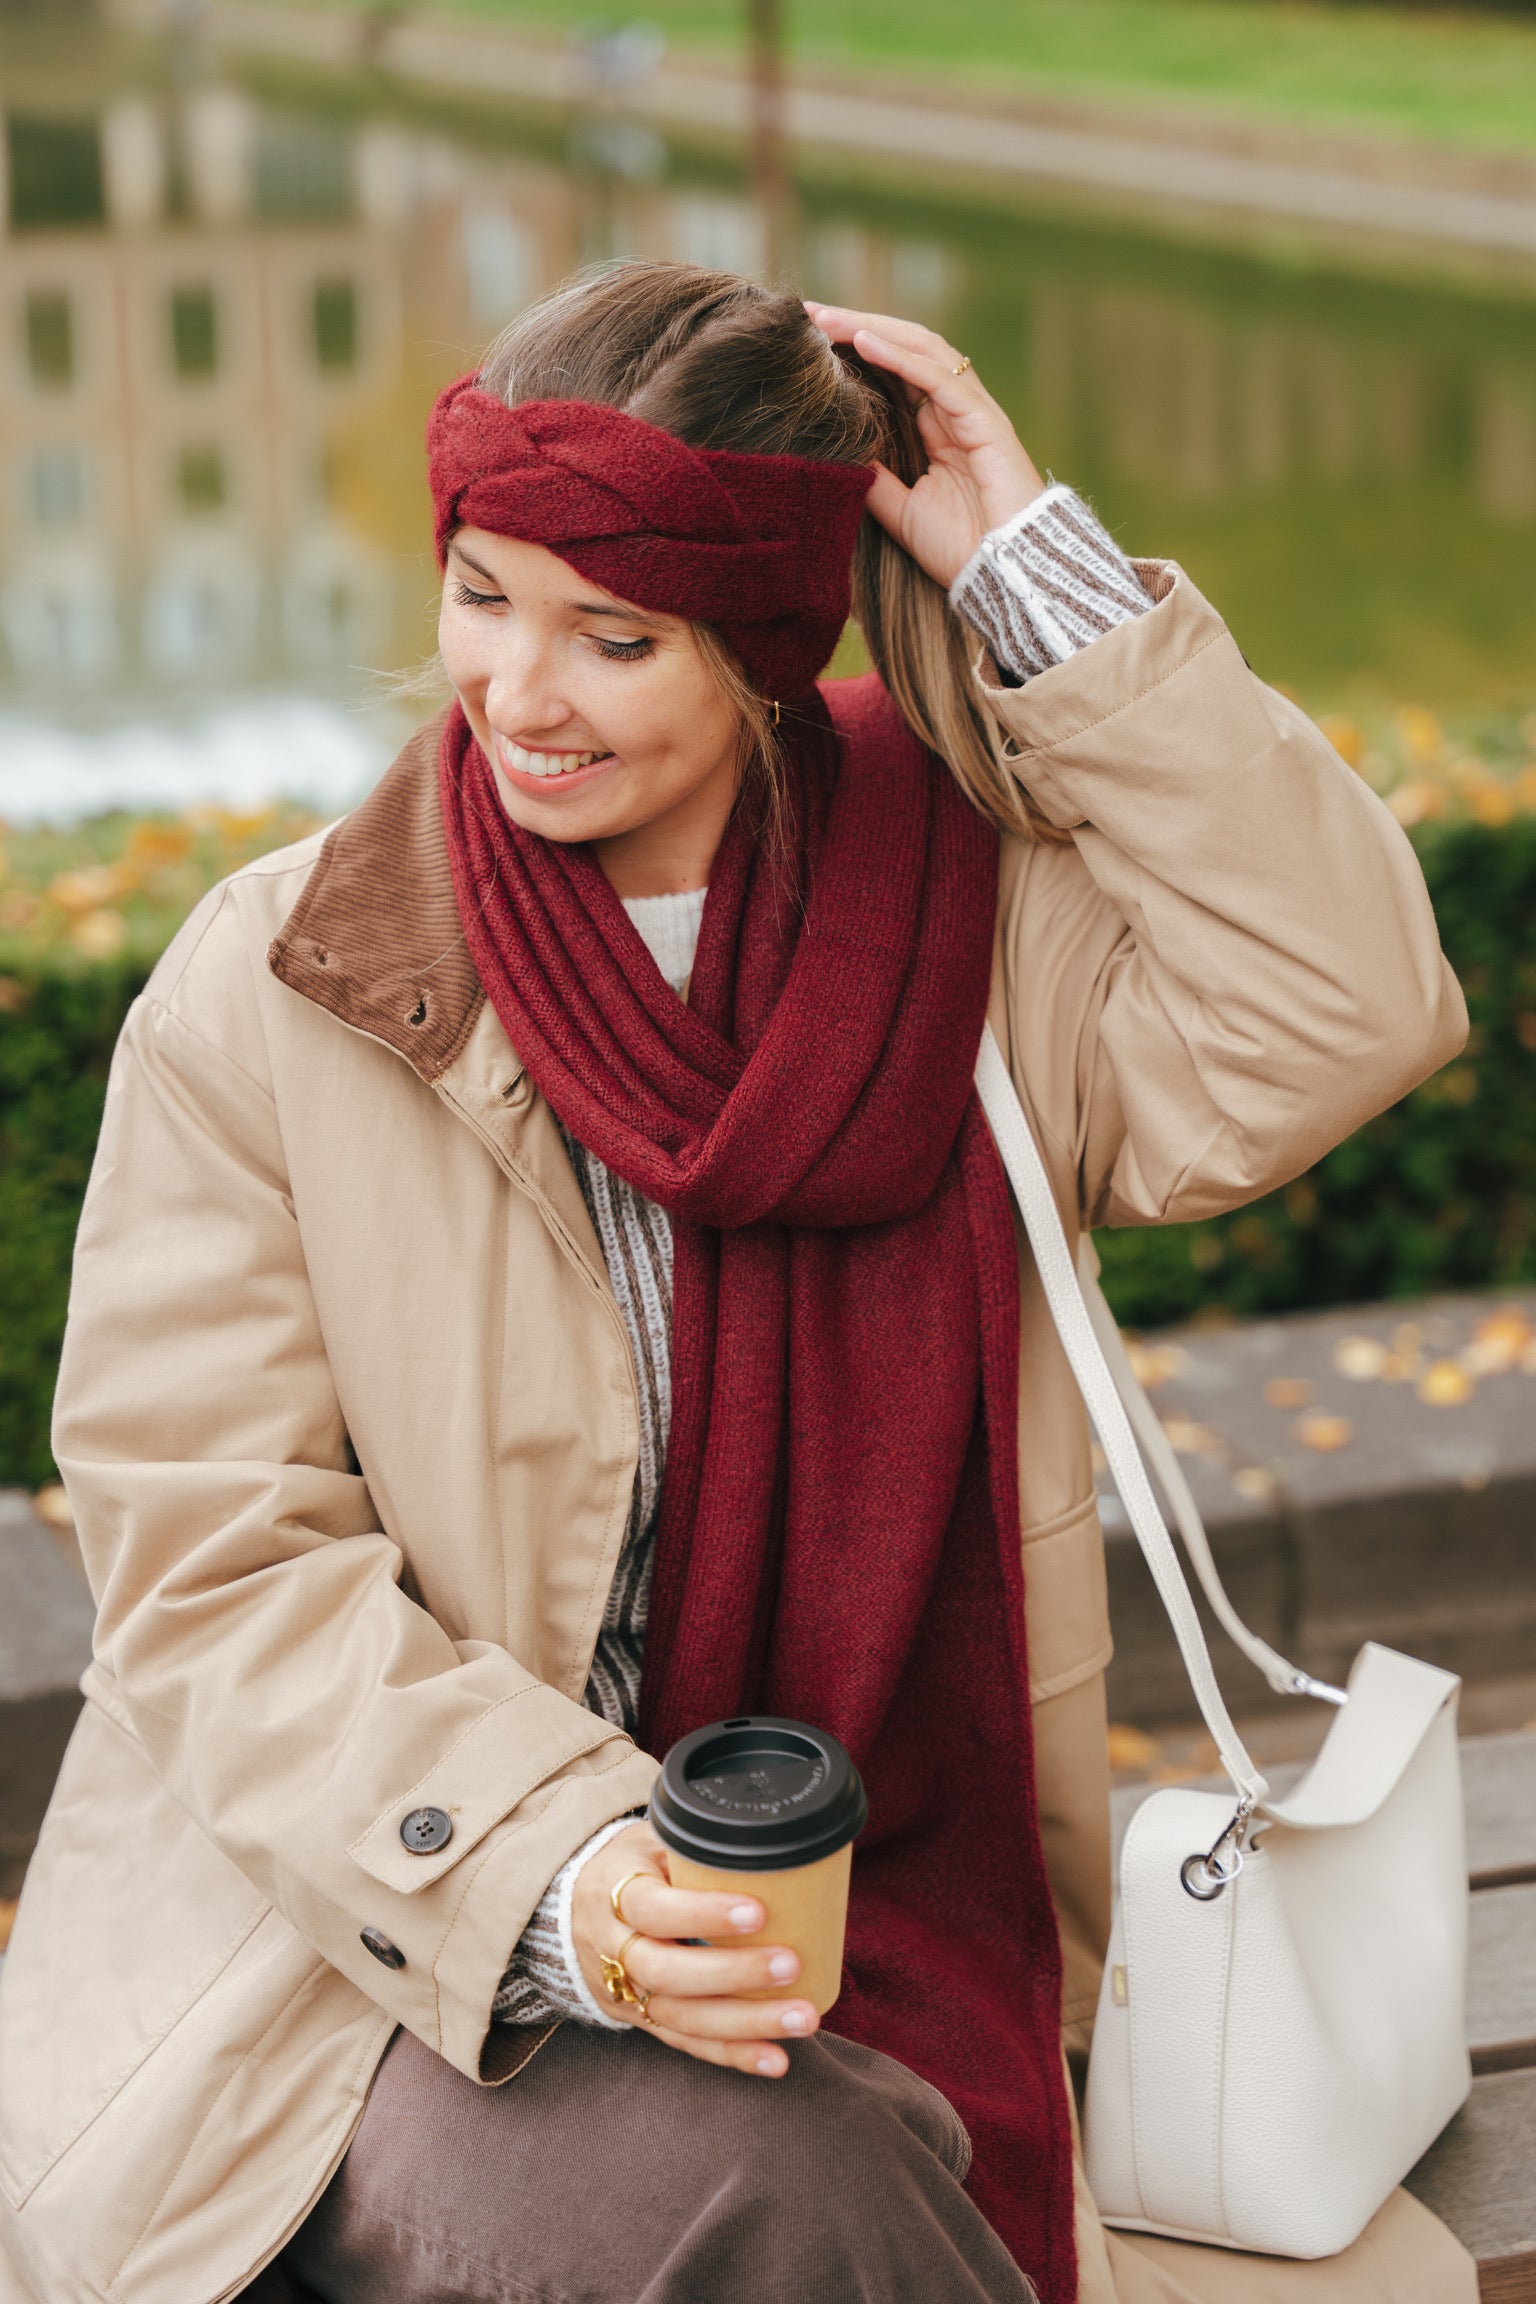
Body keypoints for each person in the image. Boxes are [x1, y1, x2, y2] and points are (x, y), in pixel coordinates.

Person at [0, 263, 1476, 2304]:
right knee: (801, 2185)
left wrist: (1037, 580)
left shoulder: (978, 930)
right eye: (481, 598)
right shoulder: (285, 993)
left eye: (614, 635)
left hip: (894, 1893)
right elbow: (211, 1562)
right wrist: (569, 1877)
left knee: (852, 2151)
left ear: (771, 643)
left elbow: (1344, 1009)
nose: (517, 693)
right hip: (380, 1940)